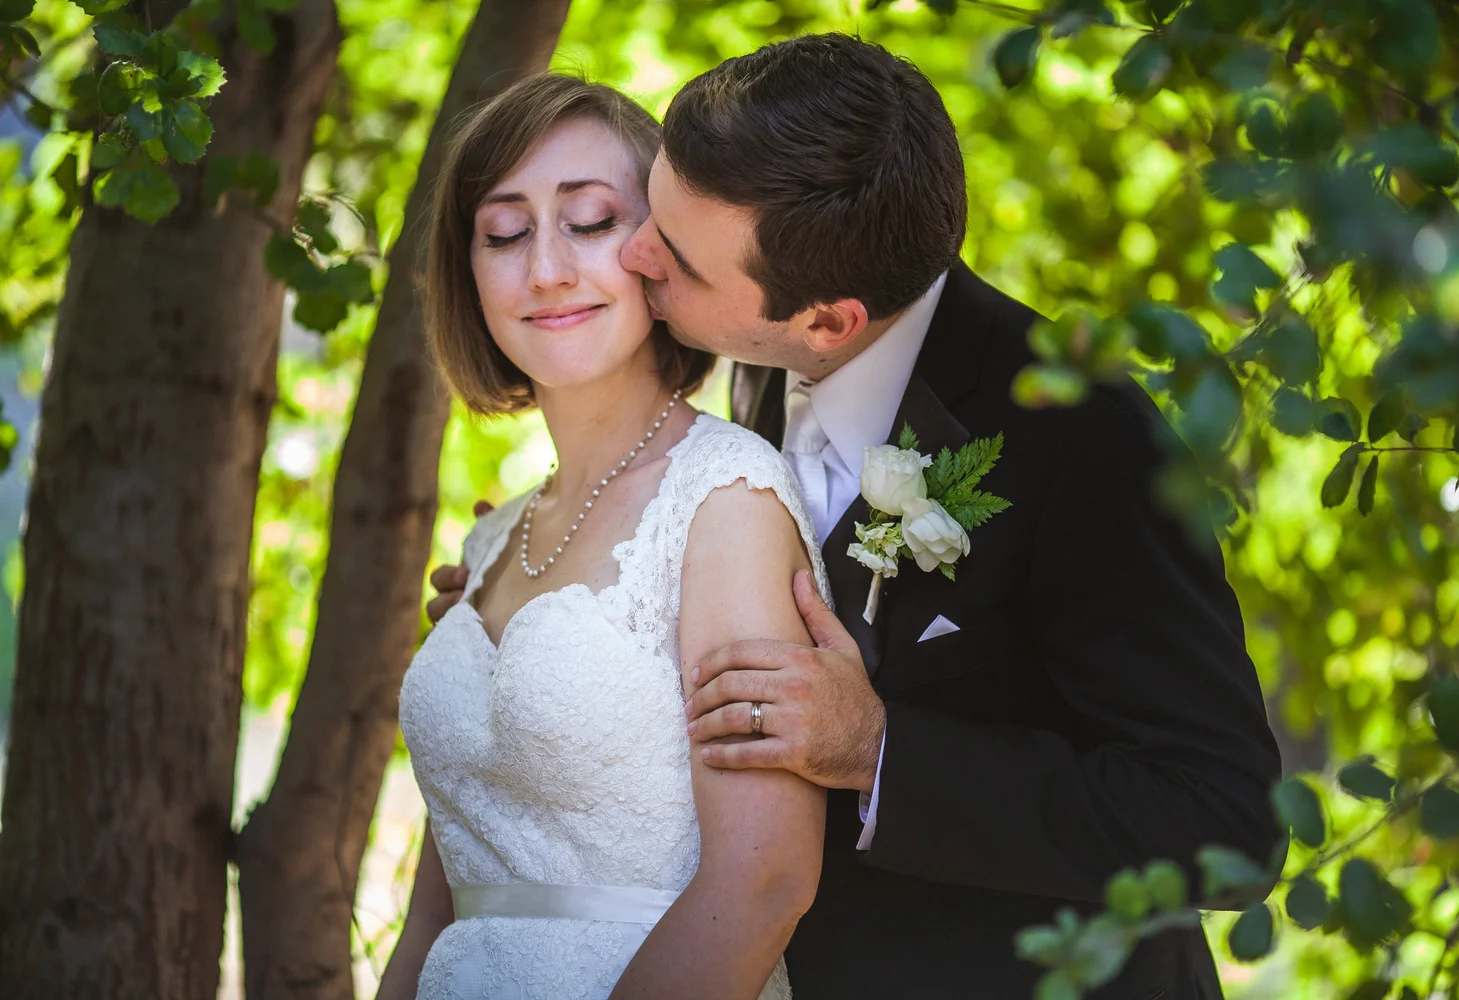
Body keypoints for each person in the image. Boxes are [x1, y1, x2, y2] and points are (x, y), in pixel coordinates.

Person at [429, 33, 1283, 999]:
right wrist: (545, 600)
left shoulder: (1082, 438)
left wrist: (883, 752)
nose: (634, 254)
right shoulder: (756, 347)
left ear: (826, 320)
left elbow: (1226, 822)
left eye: (674, 255)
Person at [382, 73, 830, 1000]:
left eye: (587, 220)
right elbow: (443, 897)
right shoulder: (490, 542)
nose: (545, 268)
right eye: (504, 234)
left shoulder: (727, 497)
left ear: (660, 253)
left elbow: (767, 881)